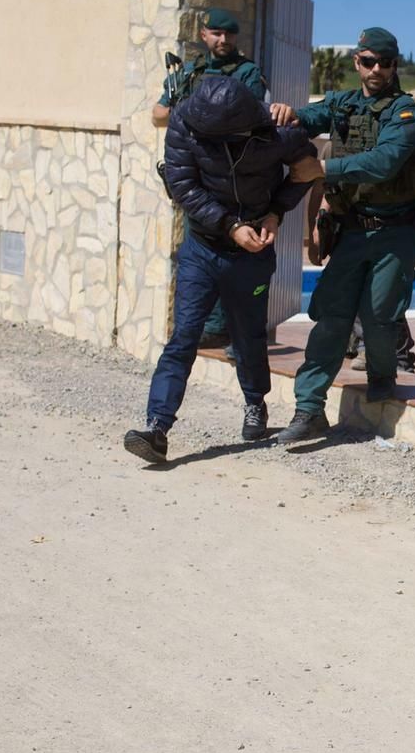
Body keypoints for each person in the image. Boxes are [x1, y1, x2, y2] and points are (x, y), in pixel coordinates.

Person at [124, 76, 321, 464]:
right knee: (184, 336)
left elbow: (308, 170)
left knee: (247, 337)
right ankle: (157, 427)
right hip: (204, 246)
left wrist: (275, 213)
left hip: (252, 255)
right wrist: (229, 224)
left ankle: (254, 403)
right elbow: (183, 185)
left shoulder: (276, 130)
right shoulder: (184, 122)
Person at [268, 28, 415, 444]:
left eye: (384, 62)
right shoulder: (343, 103)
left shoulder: (407, 114)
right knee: (331, 319)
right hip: (350, 229)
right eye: (367, 61)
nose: (376, 69)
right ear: (356, 64)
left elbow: (384, 161)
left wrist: (322, 171)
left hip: (395, 230)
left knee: (380, 317)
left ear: (395, 65)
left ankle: (382, 376)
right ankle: (309, 408)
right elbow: (312, 116)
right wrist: (287, 113)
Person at [152, 7, 270, 353]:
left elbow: (252, 115)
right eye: (216, 33)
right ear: (204, 35)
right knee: (200, 257)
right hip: (195, 179)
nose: (223, 40)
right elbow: (158, 114)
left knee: (240, 263)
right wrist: (184, 110)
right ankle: (210, 327)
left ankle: (238, 334)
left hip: (233, 178)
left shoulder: (247, 73)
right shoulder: (190, 72)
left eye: (229, 34)